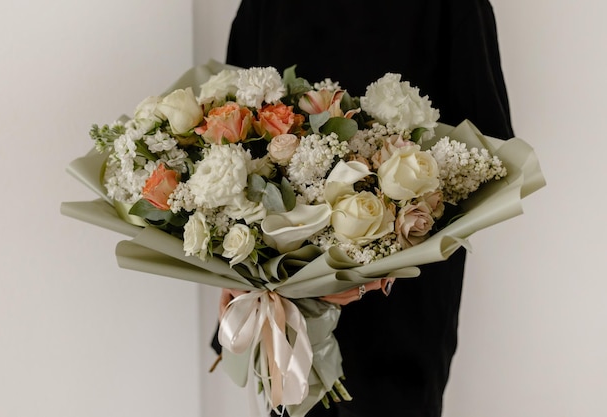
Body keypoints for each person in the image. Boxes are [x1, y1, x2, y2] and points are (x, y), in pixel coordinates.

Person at [218, 1, 514, 416]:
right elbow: (226, 133)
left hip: (402, 304)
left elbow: (489, 158)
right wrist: (233, 265)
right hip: (286, 299)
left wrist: (367, 276)